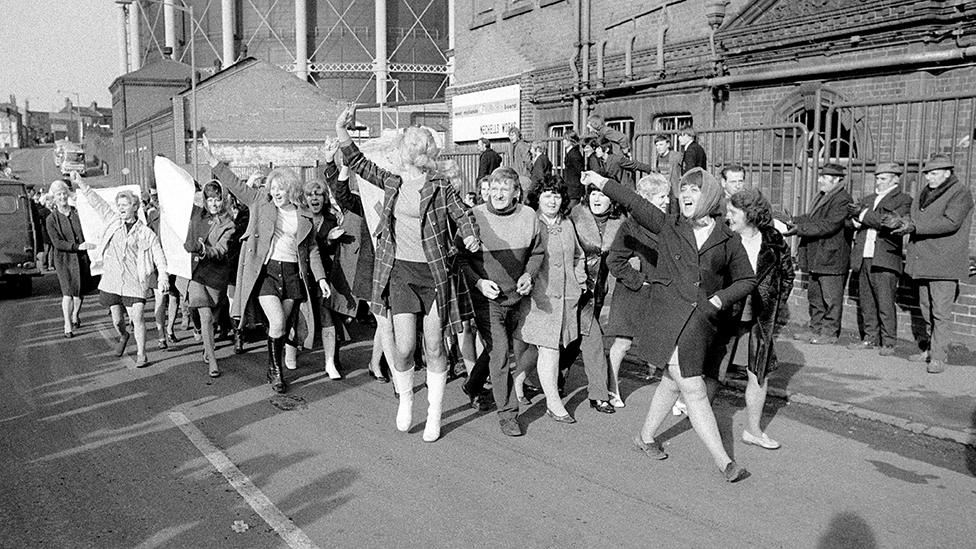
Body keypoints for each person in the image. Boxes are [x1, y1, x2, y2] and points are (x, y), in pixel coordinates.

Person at [585, 167, 756, 483]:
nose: (687, 195)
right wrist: (601, 182)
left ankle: (645, 436)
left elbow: (747, 279)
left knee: (672, 381)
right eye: (684, 189)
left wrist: (719, 300)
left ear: (710, 197)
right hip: (666, 316)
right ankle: (724, 462)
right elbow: (636, 203)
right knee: (693, 386)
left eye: (695, 189)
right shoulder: (670, 225)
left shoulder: (727, 239)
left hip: (699, 320)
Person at [336, 106, 481, 443]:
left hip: (434, 273)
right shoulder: (392, 181)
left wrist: (471, 233)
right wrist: (341, 130)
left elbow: (463, 214)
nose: (407, 152)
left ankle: (434, 414)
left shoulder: (441, 187)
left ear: (420, 152)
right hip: (399, 271)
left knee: (433, 346)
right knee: (403, 348)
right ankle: (407, 400)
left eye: (411, 147)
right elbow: (358, 163)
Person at [202, 135, 329, 394]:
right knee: (278, 321)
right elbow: (236, 185)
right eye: (273, 189)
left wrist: (321, 278)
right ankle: (276, 370)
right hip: (268, 272)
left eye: (280, 189)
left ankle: (276, 364)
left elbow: (312, 248)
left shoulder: (304, 215)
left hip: (293, 274)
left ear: (290, 189)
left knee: (281, 326)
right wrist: (214, 161)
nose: (276, 193)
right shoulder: (261, 202)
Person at [460, 167, 544, 436]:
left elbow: (537, 251)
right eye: (493, 189)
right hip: (487, 297)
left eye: (504, 189)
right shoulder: (474, 217)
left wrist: (529, 275)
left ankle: (472, 386)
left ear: (516, 193)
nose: (497, 194)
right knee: (500, 353)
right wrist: (479, 283)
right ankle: (508, 414)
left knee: (498, 347)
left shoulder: (529, 216)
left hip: (516, 295)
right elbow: (459, 258)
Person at [889, 155, 974, 373]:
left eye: (934, 173)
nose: (929, 177)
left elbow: (951, 222)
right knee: (926, 309)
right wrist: (904, 220)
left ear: (948, 173)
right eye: (927, 173)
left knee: (941, 312)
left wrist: (913, 225)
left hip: (944, 262)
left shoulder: (960, 193)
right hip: (923, 261)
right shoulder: (925, 192)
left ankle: (939, 356)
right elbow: (917, 217)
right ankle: (928, 349)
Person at [725, 188, 795, 450]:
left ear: (750, 214)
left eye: (733, 212)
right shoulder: (725, 238)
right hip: (727, 314)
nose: (728, 216)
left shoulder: (773, 238)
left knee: (758, 372)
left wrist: (774, 302)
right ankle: (694, 410)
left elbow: (787, 273)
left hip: (759, 318)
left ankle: (753, 430)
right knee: (713, 369)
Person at [74, 173, 168, 367]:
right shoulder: (113, 222)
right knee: (117, 320)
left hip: (135, 281)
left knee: (138, 317)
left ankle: (142, 354)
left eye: (125, 205)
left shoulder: (145, 232)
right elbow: (96, 202)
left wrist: (163, 277)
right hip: (113, 281)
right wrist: (81, 183)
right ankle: (124, 335)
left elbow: (159, 256)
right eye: (119, 205)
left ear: (135, 207)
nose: (121, 208)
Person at [513, 177, 587, 423]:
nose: (552, 200)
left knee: (540, 346)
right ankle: (554, 403)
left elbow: (578, 255)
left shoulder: (566, 223)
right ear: (538, 198)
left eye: (556, 195)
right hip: (539, 297)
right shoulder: (529, 221)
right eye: (547, 195)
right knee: (549, 347)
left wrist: (579, 280)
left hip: (565, 297)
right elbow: (519, 257)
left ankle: (518, 379)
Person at [323, 152, 394, 383]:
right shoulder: (365, 201)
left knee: (386, 320)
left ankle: (376, 363)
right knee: (377, 320)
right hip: (369, 266)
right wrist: (341, 167)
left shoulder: (398, 198)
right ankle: (336, 357)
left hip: (392, 266)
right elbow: (341, 195)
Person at [605, 173, 670, 408]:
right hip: (633, 293)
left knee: (666, 343)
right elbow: (614, 261)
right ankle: (612, 388)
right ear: (647, 200)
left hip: (659, 293)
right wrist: (639, 279)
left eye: (667, 196)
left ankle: (674, 395)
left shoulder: (667, 223)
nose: (666, 201)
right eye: (661, 197)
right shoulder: (629, 227)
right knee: (623, 343)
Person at [563, 183, 624, 414]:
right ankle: (598, 394)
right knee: (593, 339)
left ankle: (552, 377)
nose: (598, 198)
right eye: (594, 193)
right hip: (576, 289)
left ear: (613, 200)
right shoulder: (575, 218)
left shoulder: (620, 224)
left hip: (598, 292)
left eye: (603, 194)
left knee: (576, 339)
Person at [847, 162, 912, 355]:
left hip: (884, 257)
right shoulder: (868, 199)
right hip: (864, 255)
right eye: (877, 178)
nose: (878, 182)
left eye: (883, 178)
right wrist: (855, 220)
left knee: (885, 301)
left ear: (895, 179)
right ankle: (870, 338)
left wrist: (863, 215)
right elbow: (850, 221)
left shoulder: (903, 200)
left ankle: (889, 342)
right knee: (866, 301)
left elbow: (888, 223)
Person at [790, 163, 853, 345]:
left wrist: (799, 229)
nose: (819, 180)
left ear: (836, 180)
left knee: (831, 298)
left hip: (831, 256)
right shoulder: (823, 196)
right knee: (815, 296)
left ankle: (829, 333)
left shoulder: (842, 199)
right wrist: (792, 220)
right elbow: (813, 219)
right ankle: (815, 329)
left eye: (824, 178)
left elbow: (829, 225)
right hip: (818, 255)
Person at [183, 180, 236, 378]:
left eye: (217, 199)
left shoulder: (229, 224)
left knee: (211, 318)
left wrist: (203, 249)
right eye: (210, 199)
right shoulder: (197, 214)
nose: (213, 203)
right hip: (196, 271)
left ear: (223, 200)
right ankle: (213, 360)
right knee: (204, 316)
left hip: (215, 275)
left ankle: (208, 345)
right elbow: (178, 202)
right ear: (204, 200)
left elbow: (221, 250)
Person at [45, 179, 96, 338]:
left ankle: (75, 315)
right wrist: (76, 246)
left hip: (81, 258)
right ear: (53, 198)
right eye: (58, 194)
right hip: (64, 260)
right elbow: (57, 242)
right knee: (67, 292)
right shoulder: (51, 219)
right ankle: (67, 324)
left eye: (63, 193)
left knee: (79, 291)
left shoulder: (77, 212)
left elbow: (89, 227)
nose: (62, 197)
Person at [562, 132, 586, 210]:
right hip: (570, 188)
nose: (564, 141)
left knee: (571, 211)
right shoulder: (571, 152)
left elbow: (580, 172)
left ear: (571, 141)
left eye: (566, 139)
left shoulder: (574, 154)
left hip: (574, 189)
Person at [527, 141, 553, 207]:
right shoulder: (545, 158)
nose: (530, 150)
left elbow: (539, 176)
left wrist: (532, 189)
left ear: (537, 149)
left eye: (532, 148)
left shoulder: (539, 160)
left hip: (536, 190)